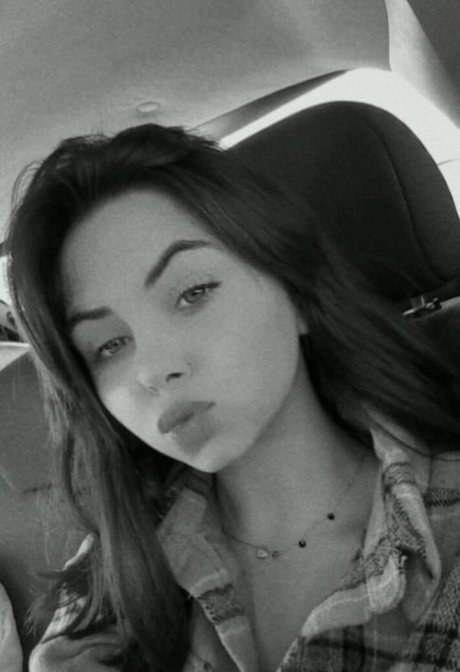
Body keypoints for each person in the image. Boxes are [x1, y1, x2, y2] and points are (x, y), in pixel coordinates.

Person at [5, 122, 460, 672]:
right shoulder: (111, 573)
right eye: (109, 345)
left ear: (296, 292)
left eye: (193, 293)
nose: (153, 370)